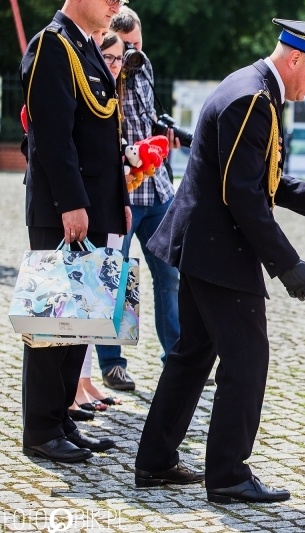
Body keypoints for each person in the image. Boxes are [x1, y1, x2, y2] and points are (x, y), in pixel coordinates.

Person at [134, 18, 305, 504]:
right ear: (296, 58)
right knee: (246, 363)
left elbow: (260, 178)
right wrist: (286, 262)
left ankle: (155, 460)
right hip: (219, 250)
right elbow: (243, 196)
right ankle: (229, 476)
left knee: (191, 358)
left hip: (206, 244)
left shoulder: (254, 88)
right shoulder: (254, 98)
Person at [19, 0, 129, 462]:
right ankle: (41, 430)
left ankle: (62, 417)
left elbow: (107, 134)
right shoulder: (52, 45)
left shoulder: (85, 48)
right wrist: (72, 204)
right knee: (52, 326)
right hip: (64, 211)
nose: (115, 6)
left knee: (79, 321)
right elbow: (52, 136)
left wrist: (118, 200)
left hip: (92, 209)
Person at [94, 6, 181, 393]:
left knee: (169, 277)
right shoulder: (101, 69)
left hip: (158, 188)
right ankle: (112, 364)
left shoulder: (141, 67)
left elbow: (147, 118)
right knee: (114, 279)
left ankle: (177, 356)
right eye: (126, 47)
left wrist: (164, 135)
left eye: (138, 46)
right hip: (122, 194)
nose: (134, 54)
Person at [71, 30, 127, 416]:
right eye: (109, 57)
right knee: (80, 299)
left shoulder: (112, 86)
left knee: (98, 298)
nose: (115, 65)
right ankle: (73, 385)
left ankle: (84, 379)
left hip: (108, 201)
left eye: (121, 58)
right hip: (84, 203)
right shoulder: (80, 72)